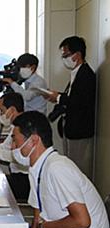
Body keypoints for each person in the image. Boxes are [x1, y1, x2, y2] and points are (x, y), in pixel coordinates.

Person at [11, 111, 110, 228]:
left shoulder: (57, 168)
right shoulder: (37, 169)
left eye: (15, 140)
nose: (13, 147)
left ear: (33, 140)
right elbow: (37, 218)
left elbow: (82, 220)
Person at [44, 36, 96, 179]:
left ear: (77, 55)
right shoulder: (76, 73)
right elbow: (72, 96)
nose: (64, 59)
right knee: (70, 167)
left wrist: (59, 97)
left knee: (77, 171)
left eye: (66, 55)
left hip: (80, 130)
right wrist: (56, 95)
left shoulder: (86, 75)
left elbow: (80, 102)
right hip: (70, 128)